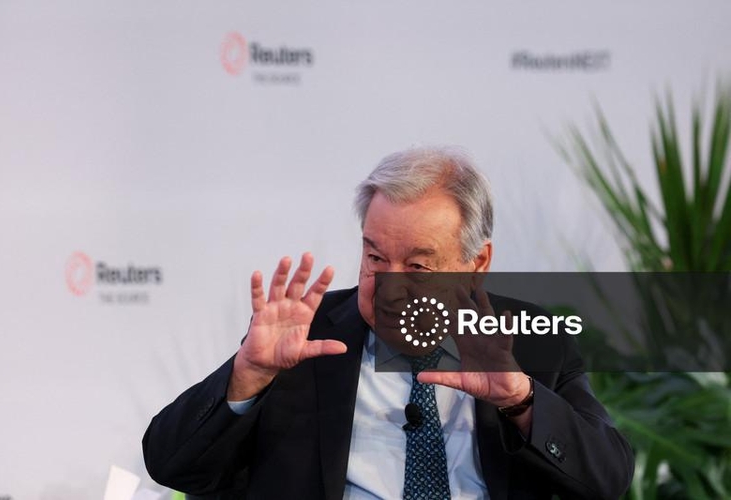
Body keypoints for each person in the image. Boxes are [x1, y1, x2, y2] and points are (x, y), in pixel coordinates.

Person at [143, 146, 634, 499]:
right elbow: (171, 465)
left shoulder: (529, 340)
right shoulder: (303, 337)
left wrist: (520, 401)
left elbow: (608, 479)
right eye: (375, 258)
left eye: (418, 266)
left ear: (477, 264)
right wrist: (248, 375)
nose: (390, 288)